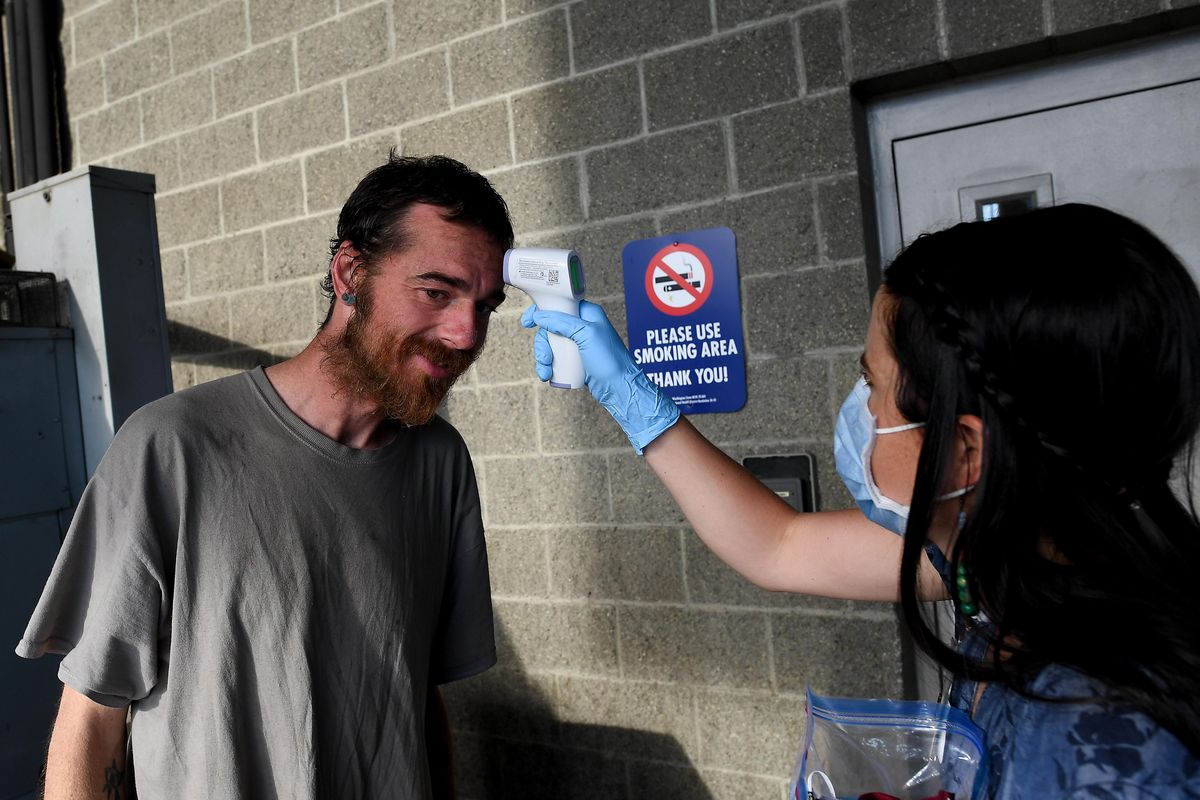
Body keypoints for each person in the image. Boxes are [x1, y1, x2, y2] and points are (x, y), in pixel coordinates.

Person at [523, 204, 1200, 796]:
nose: (862, 411)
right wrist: (634, 400)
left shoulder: (1106, 740)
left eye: (871, 384)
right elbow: (778, 546)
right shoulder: (1009, 565)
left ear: (966, 450)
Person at [16, 153, 513, 799]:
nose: (464, 332)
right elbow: (92, 718)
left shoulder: (441, 461)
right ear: (350, 272)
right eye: (436, 292)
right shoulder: (173, 445)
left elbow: (418, 696)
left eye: (486, 306)